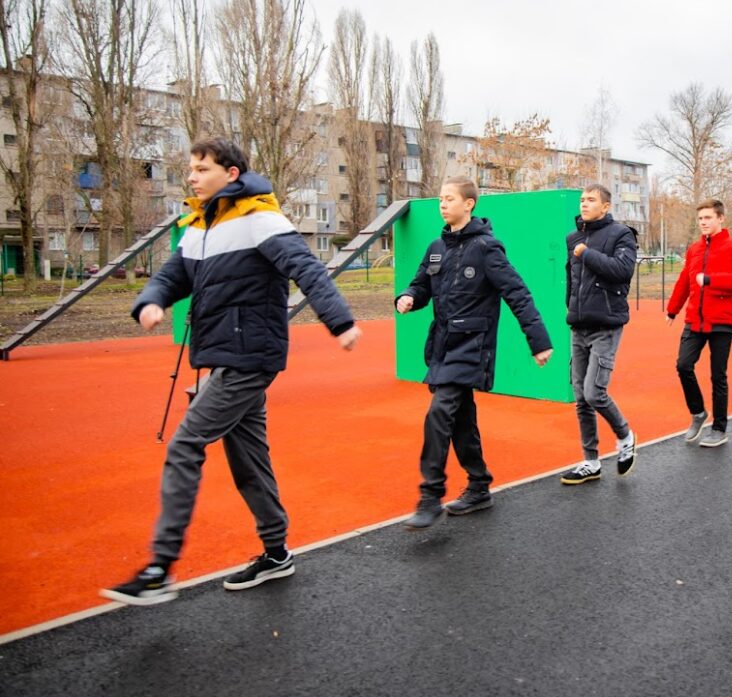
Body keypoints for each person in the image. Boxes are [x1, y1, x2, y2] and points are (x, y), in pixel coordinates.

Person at [102, 137, 363, 606]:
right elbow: (171, 275)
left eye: (201, 169)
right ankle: (277, 553)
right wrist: (152, 300)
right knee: (249, 463)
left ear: (232, 174)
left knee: (185, 444)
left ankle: (160, 568)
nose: (192, 176)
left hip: (250, 357)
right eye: (190, 168)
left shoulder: (259, 219)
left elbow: (307, 269)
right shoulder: (199, 224)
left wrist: (339, 321)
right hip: (223, 356)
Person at [396, 177, 552, 530]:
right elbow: (421, 284)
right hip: (442, 345)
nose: (442, 204)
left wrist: (538, 341)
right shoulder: (437, 247)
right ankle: (479, 484)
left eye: (449, 199)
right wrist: (408, 297)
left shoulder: (487, 248)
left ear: (469, 204)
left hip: (472, 346)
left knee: (439, 414)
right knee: (461, 420)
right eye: (439, 199)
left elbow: (518, 293)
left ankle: (430, 496)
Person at [560, 184, 639, 484]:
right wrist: (571, 305)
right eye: (582, 199)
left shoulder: (621, 234)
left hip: (606, 325)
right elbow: (571, 277)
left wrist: (588, 254)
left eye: (591, 200)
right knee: (581, 397)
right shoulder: (573, 238)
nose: (584, 204)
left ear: (605, 206)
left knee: (595, 393)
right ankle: (590, 461)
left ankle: (625, 435)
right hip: (578, 324)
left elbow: (622, 270)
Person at [666, 199, 732, 448]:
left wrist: (711, 280)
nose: (703, 222)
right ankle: (698, 412)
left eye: (708, 218)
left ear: (720, 218)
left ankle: (719, 428)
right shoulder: (694, 249)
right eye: (701, 219)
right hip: (695, 318)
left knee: (718, 375)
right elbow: (685, 280)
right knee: (683, 365)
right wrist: (673, 309)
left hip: (723, 321)